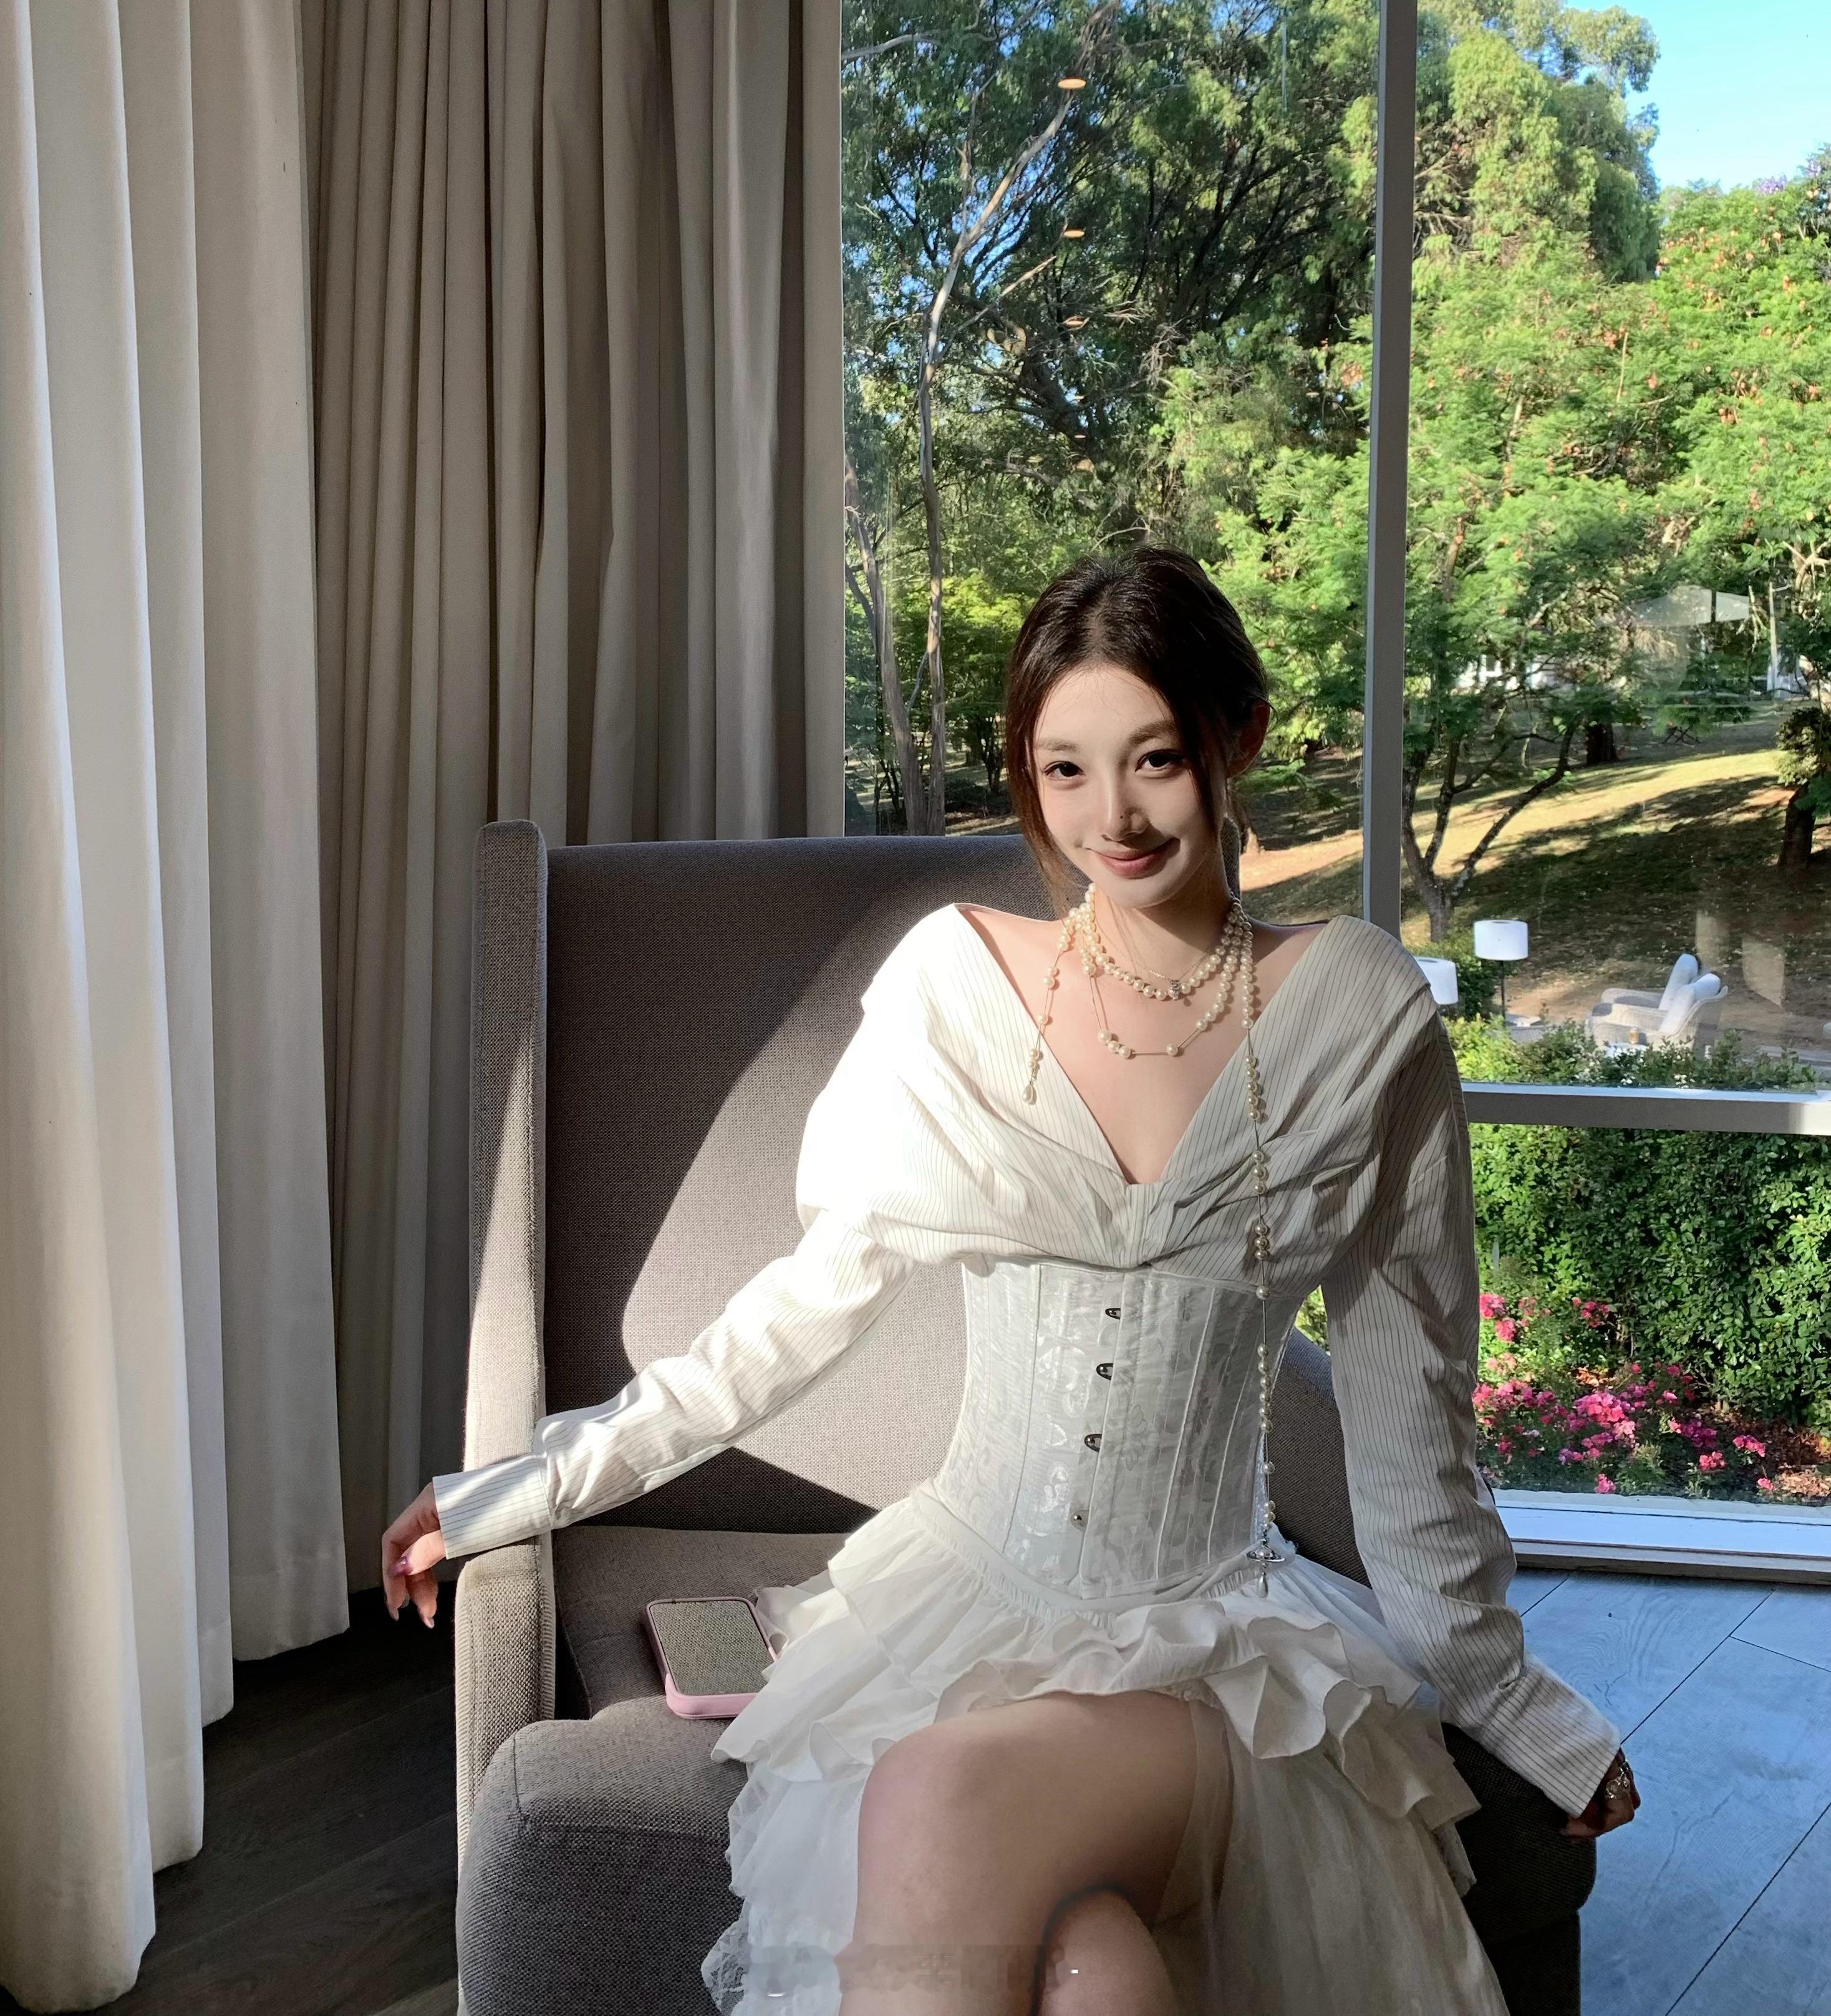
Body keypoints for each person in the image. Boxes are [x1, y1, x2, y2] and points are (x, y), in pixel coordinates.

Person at [383, 545, 1638, 2015]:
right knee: (1099, 1977)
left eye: (1154, 757)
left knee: (937, 1795)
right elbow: (792, 1314)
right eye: (1064, 770)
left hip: (1211, 1652)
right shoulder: (955, 984)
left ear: (1234, 736)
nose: (1113, 816)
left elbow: (1412, 1407)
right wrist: (518, 1486)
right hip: (960, 1608)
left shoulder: (1358, 1007)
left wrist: (1515, 1703)